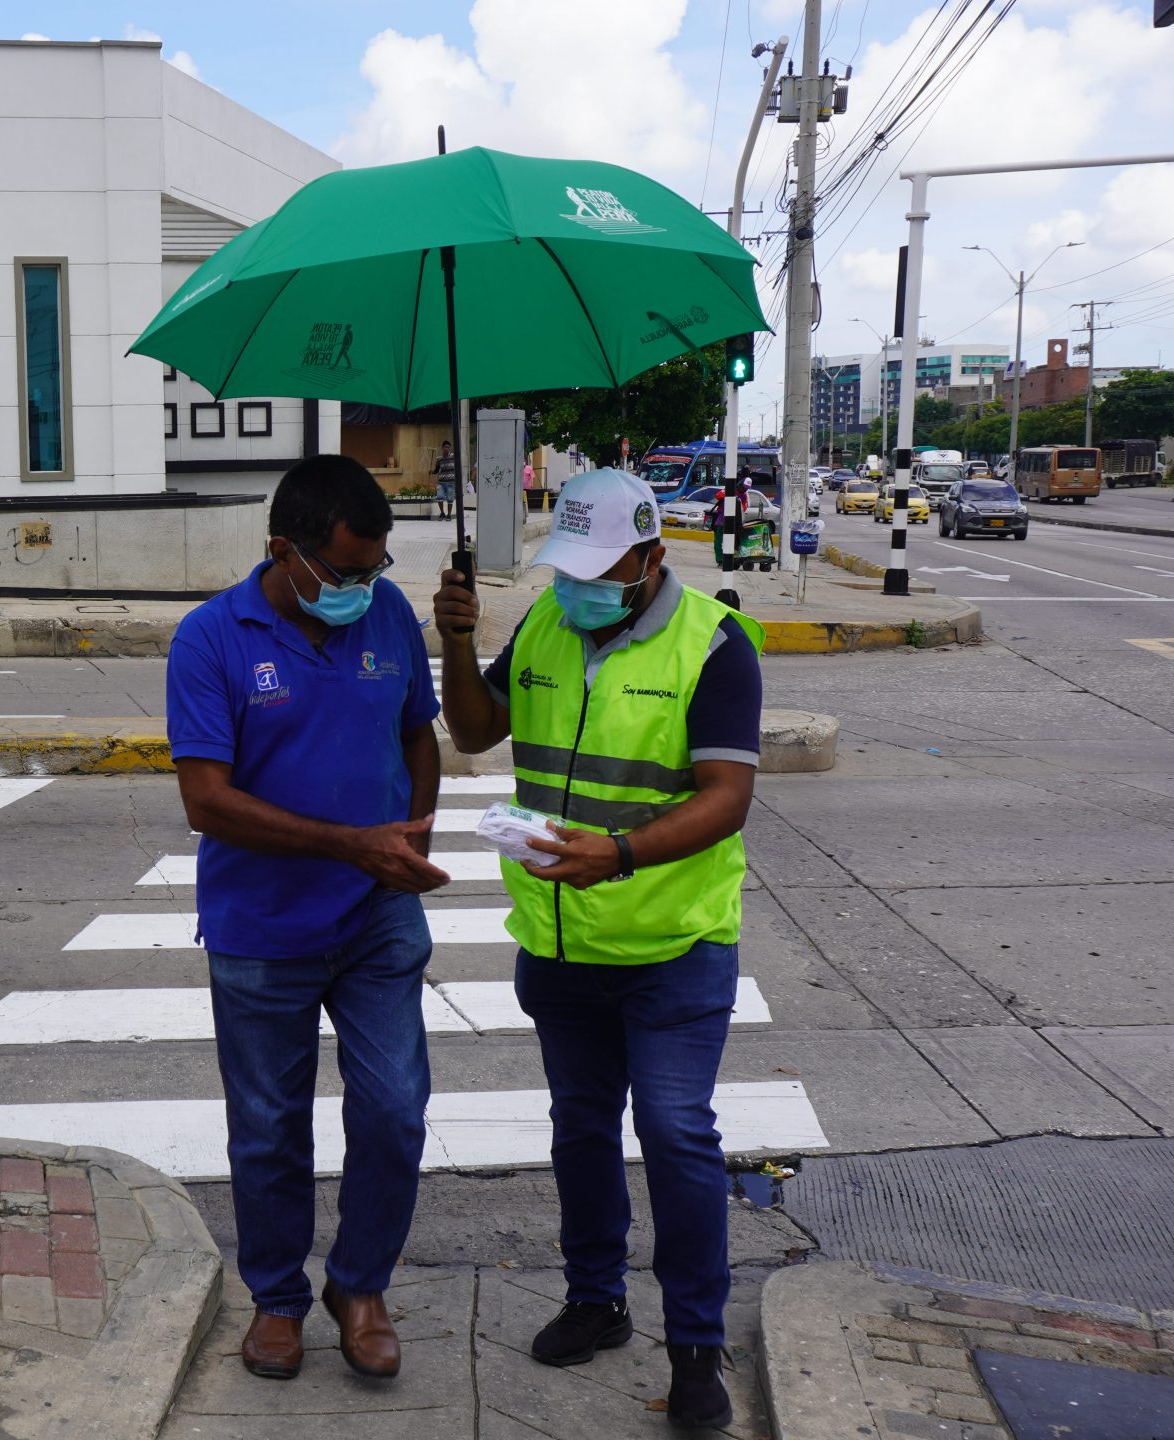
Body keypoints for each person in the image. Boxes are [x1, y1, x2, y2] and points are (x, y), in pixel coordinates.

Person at [432, 465, 765, 1431]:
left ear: (652, 555)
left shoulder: (716, 644)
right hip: (561, 944)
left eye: (596, 567)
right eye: (564, 566)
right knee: (580, 1128)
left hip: (672, 947)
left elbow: (725, 797)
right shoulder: (543, 624)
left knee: (673, 1133)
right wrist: (458, 641)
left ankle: (696, 1346)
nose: (573, 585)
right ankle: (596, 1299)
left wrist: (617, 854)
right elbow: (475, 729)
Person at [166, 454, 447, 1382]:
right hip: (261, 929)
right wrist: (350, 844)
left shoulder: (388, 613)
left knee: (397, 1110)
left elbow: (418, 729)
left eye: (377, 570)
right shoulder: (211, 639)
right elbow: (207, 801)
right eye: (346, 572)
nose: (363, 589)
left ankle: (359, 1285)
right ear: (282, 551)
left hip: (377, 918)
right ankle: (278, 1298)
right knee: (269, 1125)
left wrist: (411, 833)